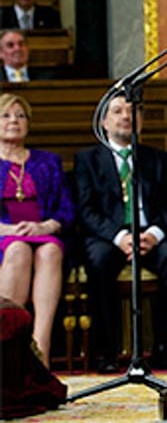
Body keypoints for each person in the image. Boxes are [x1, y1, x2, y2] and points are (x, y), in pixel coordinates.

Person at [76, 94, 167, 373]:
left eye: (133, 111)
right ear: (104, 121)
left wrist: (153, 234)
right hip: (109, 237)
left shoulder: (158, 159)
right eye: (117, 111)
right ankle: (108, 350)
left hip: (150, 234)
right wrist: (119, 237)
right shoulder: (88, 159)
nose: (126, 117)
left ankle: (162, 345)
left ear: (141, 120)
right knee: (99, 261)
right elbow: (86, 210)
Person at [0, 94, 73, 367]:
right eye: (6, 115)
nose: (13, 121)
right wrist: (6, 229)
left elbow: (66, 209)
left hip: (42, 232)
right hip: (4, 236)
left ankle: (41, 348)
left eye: (20, 116)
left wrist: (44, 226)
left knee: (51, 250)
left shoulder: (48, 162)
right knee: (18, 249)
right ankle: (10, 343)